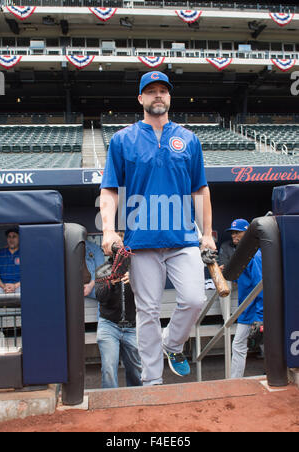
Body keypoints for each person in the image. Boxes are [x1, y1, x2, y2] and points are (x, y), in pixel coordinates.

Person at [99, 70, 216, 386]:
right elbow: (110, 188)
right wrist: (109, 230)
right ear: (141, 98)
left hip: (183, 239)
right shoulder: (123, 139)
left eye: (163, 90)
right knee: (147, 312)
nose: (158, 95)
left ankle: (173, 344)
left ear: (170, 97)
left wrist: (207, 233)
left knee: (193, 298)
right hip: (142, 241)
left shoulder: (188, 139)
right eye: (150, 91)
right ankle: (152, 381)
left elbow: (200, 189)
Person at [95, 232, 142, 388]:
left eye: (122, 241)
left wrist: (135, 279)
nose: (119, 248)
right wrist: (112, 281)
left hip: (132, 326)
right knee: (108, 368)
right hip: (109, 325)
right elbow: (101, 296)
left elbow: (150, 293)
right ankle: (110, 406)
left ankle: (136, 405)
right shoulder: (103, 269)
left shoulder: (138, 268)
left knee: (136, 370)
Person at [226, 219, 264, 379]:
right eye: (233, 232)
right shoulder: (244, 254)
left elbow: (261, 286)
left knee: (239, 345)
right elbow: (243, 281)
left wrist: (261, 317)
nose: (234, 235)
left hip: (254, 311)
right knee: (264, 345)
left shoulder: (254, 255)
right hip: (246, 309)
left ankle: (235, 381)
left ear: (247, 233)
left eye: (238, 232)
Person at [0, 227, 21, 294]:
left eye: (14, 237)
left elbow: (30, 275)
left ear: (19, 238)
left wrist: (15, 286)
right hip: (2, 286)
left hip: (19, 286)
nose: (11, 239)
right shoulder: (0, 254)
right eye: (9, 237)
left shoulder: (25, 253)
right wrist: (4, 286)